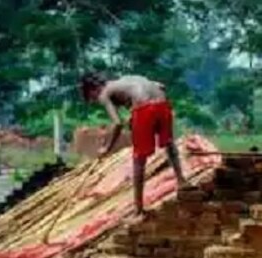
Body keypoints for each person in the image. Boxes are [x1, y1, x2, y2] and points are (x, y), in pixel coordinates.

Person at [80, 71, 188, 216]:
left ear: (93, 89)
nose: (95, 100)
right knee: (169, 142)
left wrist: (107, 148)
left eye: (92, 97)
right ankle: (181, 180)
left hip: (144, 109)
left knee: (139, 158)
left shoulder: (103, 94)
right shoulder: (125, 80)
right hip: (162, 104)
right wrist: (135, 113)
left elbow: (118, 123)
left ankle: (138, 207)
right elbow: (161, 86)